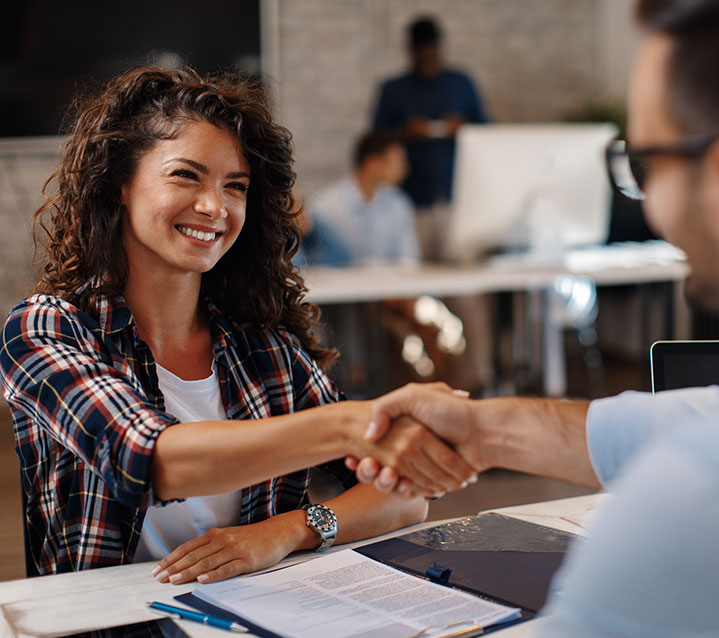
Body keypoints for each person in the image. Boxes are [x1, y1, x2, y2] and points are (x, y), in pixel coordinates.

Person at [350, 0, 719, 636]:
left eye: (645, 165)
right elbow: (711, 415)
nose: (647, 203)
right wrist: (483, 430)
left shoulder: (709, 502)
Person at [0, 67, 477, 581]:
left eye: (236, 186)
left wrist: (287, 531)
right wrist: (352, 426)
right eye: (186, 175)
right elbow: (151, 461)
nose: (214, 207)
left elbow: (404, 498)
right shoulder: (45, 328)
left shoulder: (265, 349)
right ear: (120, 183)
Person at [372, 15, 488, 260]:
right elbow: (374, 140)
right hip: (411, 200)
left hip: (456, 197)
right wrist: (405, 132)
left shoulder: (461, 83)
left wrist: (463, 128)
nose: (426, 58)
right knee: (416, 275)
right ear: (411, 51)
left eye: (430, 52)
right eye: (420, 53)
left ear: (439, 49)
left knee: (465, 283)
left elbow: (488, 131)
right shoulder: (394, 89)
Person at [298, 131, 419, 266]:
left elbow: (408, 260)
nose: (405, 170)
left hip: (390, 285)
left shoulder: (399, 204)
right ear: (372, 163)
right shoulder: (326, 206)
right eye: (398, 162)